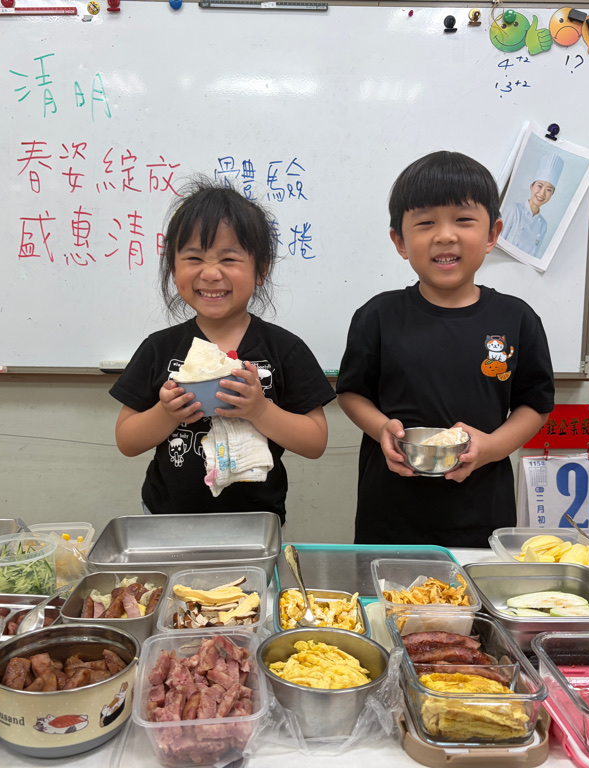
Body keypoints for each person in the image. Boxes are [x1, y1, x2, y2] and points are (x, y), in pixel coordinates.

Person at [336, 151, 555, 547]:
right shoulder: (378, 315)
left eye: (463, 220)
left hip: (481, 511)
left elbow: (534, 405)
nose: (445, 235)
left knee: (474, 589)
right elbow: (351, 393)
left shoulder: (517, 319)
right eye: (426, 223)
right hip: (389, 511)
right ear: (400, 241)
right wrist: (381, 428)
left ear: (492, 234)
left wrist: (491, 447)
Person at [109, 180, 335, 523]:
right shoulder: (159, 347)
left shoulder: (284, 349)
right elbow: (127, 441)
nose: (211, 273)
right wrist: (166, 414)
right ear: (173, 268)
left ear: (261, 269)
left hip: (255, 523)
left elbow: (315, 442)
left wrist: (260, 410)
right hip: (165, 520)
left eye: (229, 259)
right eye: (194, 258)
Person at [499, 153, 564, 258]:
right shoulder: (514, 210)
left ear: (552, 194)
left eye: (548, 190)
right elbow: (497, 242)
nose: (542, 193)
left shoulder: (543, 225)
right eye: (539, 186)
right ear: (531, 187)